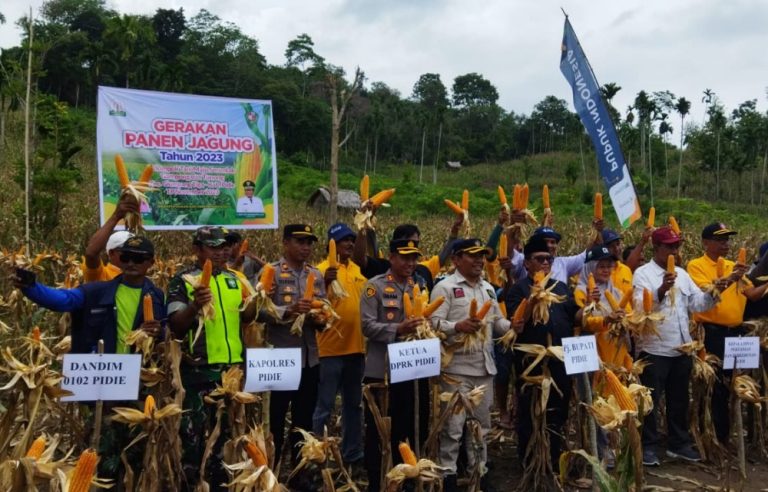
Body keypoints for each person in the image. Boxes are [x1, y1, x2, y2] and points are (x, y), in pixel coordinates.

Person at [14, 236, 164, 480]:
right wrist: (31, 287)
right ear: (117, 258)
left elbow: (167, 336)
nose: (131, 263)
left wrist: (158, 332)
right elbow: (62, 300)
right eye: (125, 257)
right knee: (98, 454)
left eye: (138, 258)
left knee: (135, 458)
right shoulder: (97, 291)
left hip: (137, 387)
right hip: (102, 386)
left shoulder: (157, 297)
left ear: (150, 262)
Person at [167, 226, 259, 488]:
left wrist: (255, 304)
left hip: (231, 374)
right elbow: (175, 325)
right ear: (197, 249)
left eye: (225, 246)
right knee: (194, 444)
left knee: (227, 441)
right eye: (214, 247)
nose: (222, 252)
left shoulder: (237, 279)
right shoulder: (183, 280)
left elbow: (248, 317)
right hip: (198, 373)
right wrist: (195, 305)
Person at [632, 226, 723, 466]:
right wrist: (660, 289)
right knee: (650, 401)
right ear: (657, 247)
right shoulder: (643, 274)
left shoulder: (682, 274)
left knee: (680, 399)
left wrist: (716, 291)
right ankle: (648, 446)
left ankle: (678, 443)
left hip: (682, 348)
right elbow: (639, 311)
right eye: (670, 246)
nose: (675, 250)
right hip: (654, 348)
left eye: (677, 246)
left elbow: (698, 305)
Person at [429, 239, 511, 492]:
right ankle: (448, 476)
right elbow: (431, 324)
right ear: (456, 259)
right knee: (452, 429)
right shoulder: (445, 288)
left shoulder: (487, 289)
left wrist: (515, 325)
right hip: (455, 371)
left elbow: (497, 323)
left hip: (484, 370)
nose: (479, 260)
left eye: (482, 256)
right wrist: (458, 327)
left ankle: (480, 473)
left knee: (481, 428)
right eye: (472, 255)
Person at [686, 223, 768, 445]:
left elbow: (752, 294)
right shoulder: (696, 265)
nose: (726, 244)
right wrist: (732, 277)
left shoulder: (735, 266)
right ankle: (707, 434)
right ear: (705, 242)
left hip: (735, 336)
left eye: (727, 240)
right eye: (720, 240)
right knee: (712, 385)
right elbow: (707, 293)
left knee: (731, 383)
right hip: (711, 334)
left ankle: (723, 435)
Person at [505, 236, 580, 469]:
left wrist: (594, 311)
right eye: (539, 259)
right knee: (530, 411)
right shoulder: (518, 290)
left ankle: (554, 457)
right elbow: (517, 323)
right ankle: (529, 460)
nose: (546, 263)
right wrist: (534, 296)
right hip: (531, 363)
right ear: (526, 264)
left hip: (559, 360)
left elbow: (575, 316)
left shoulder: (561, 288)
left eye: (549, 259)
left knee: (558, 410)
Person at [360, 238, 429, 491]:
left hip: (414, 371)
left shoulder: (419, 285)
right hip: (383, 372)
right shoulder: (374, 287)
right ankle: (378, 480)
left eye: (414, 258)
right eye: (405, 257)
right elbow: (367, 326)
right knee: (380, 431)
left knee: (410, 426)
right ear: (391, 258)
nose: (411, 263)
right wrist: (397, 328)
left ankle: (407, 478)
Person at [260, 224, 326, 472]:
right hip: (280, 358)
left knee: (303, 421)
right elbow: (257, 310)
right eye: (300, 242)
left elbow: (324, 306)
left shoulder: (315, 275)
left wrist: (320, 316)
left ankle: (300, 472)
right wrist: (287, 311)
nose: (306, 247)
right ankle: (271, 471)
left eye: (309, 243)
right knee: (274, 419)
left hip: (310, 359)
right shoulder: (272, 272)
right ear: (285, 243)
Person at [312, 223, 367, 468]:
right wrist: (324, 282)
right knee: (324, 407)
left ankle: (352, 452)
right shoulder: (320, 270)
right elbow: (313, 307)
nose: (349, 244)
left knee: (353, 406)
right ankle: (317, 455)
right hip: (329, 351)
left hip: (356, 349)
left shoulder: (357, 269)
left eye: (351, 240)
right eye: (343, 240)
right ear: (331, 244)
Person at [574, 246, 632, 369]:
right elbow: (582, 323)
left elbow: (629, 315)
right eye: (601, 267)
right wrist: (606, 319)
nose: (606, 270)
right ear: (590, 268)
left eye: (608, 266)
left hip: (617, 351)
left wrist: (626, 319)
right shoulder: (581, 293)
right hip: (594, 353)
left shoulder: (616, 292)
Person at [83, 193, 139, 282]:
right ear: (112, 253)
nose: (132, 254)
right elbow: (91, 254)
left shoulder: (140, 277)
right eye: (126, 251)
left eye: (135, 250)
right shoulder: (102, 274)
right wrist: (116, 216)